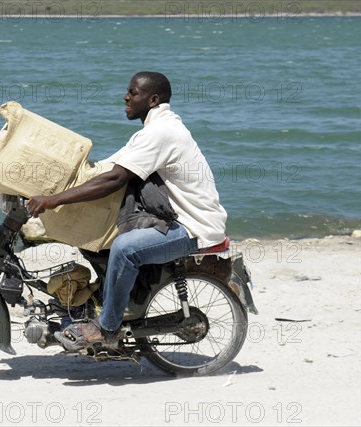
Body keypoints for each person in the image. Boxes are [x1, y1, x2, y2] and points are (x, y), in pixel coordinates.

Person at [26, 71, 227, 348]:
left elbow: (115, 178)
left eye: (133, 92)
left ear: (153, 99)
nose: (126, 97)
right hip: (176, 220)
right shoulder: (151, 132)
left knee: (125, 248)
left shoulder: (161, 133)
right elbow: (106, 168)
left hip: (193, 228)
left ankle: (106, 327)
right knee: (95, 239)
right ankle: (103, 303)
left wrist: (53, 200)